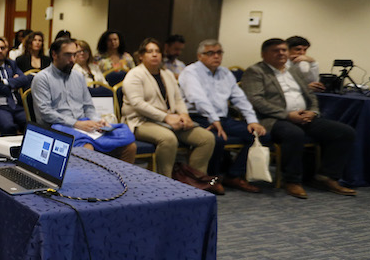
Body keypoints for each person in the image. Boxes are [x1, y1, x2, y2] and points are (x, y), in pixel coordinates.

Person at [240, 38, 356, 199]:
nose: (281, 53)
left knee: (344, 132)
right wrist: (287, 115)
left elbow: (310, 95)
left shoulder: (293, 71)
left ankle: (327, 177)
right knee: (294, 134)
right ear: (264, 54)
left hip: (303, 116)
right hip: (273, 119)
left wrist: (313, 112)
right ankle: (292, 181)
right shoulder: (256, 71)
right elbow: (256, 100)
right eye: (276, 50)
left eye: (284, 50)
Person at [179, 40, 268, 193]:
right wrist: (214, 120)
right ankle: (212, 178)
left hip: (222, 118)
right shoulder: (190, 72)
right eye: (210, 53)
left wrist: (252, 120)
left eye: (219, 52)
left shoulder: (225, 73)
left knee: (260, 135)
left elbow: (240, 99)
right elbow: (198, 99)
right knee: (216, 139)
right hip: (198, 117)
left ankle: (233, 175)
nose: (216, 56)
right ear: (200, 56)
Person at [121, 38, 215, 179]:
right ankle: (165, 181)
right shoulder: (134, 75)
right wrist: (166, 117)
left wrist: (184, 114)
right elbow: (138, 104)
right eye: (150, 51)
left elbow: (178, 99)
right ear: (141, 56)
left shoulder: (167, 74)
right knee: (168, 139)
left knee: (206, 138)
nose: (154, 55)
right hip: (140, 122)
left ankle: (194, 180)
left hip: (170, 120)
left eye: (157, 51)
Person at [31, 38, 136, 163]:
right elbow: (46, 112)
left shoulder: (78, 76)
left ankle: (117, 181)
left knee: (129, 146)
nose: (72, 60)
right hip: (56, 128)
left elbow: (88, 107)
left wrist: (98, 121)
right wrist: (76, 124)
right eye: (67, 55)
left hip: (83, 126)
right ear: (54, 54)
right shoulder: (42, 78)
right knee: (87, 148)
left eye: (74, 55)